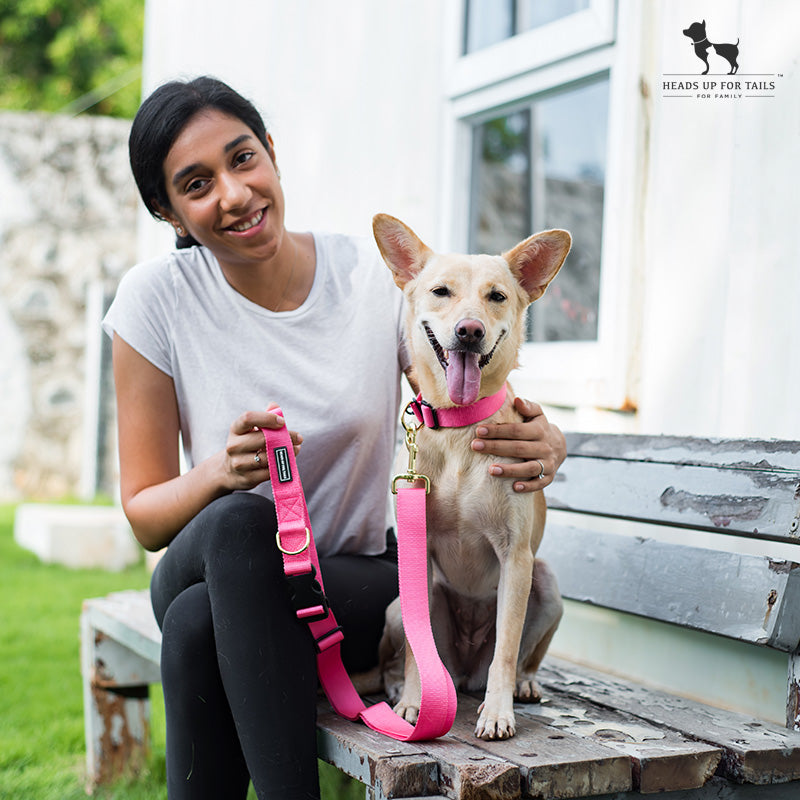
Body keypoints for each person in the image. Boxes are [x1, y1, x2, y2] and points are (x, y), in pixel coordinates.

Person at [104, 75, 567, 800]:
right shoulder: (153, 299)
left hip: (348, 578)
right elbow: (146, 514)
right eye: (197, 183)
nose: (233, 192)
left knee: (199, 628)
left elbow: (455, 386)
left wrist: (544, 438)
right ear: (167, 209)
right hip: (211, 560)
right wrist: (221, 473)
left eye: (243, 158)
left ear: (273, 156)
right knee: (239, 521)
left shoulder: (372, 281)